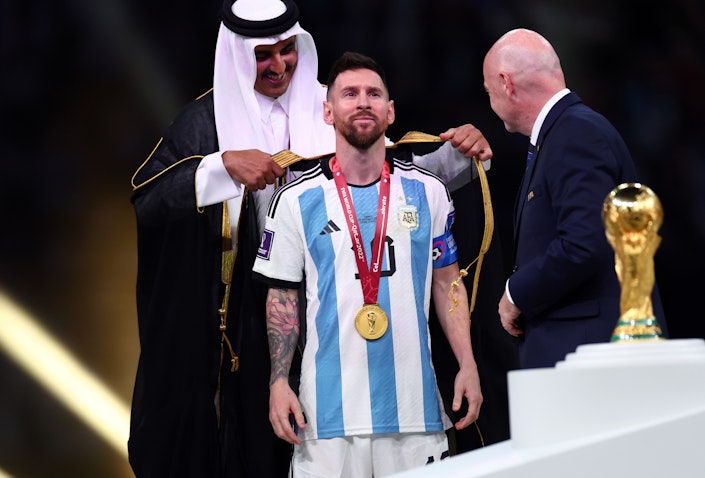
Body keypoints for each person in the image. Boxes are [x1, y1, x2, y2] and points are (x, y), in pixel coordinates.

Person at [129, 0, 492, 476]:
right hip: (244, 324)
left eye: (287, 50)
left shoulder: (338, 104)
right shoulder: (204, 122)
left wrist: (463, 157)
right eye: (263, 55)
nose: (278, 65)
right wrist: (221, 166)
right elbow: (149, 199)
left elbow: (397, 182)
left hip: (342, 316)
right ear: (238, 56)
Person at [252, 51, 483, 477]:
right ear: (328, 111)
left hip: (416, 416)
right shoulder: (295, 199)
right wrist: (278, 381)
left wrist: (467, 364)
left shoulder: (428, 190)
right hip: (324, 419)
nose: (363, 102)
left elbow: (448, 283)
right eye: (350, 94)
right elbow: (282, 295)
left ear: (390, 111)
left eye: (374, 94)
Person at [483, 28, 667, 369]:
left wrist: (515, 294)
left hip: (592, 358)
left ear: (506, 83)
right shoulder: (566, 133)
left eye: (488, 89)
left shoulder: (574, 133)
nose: (490, 100)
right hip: (582, 356)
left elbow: (584, 242)